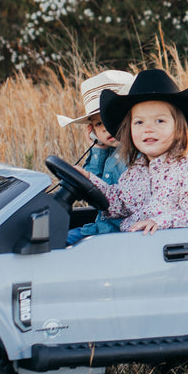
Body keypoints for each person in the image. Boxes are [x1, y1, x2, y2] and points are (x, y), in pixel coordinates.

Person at [86, 68, 188, 234]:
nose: (148, 129)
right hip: (130, 247)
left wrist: (158, 222)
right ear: (129, 130)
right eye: (139, 122)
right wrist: (88, 180)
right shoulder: (135, 172)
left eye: (160, 120)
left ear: (178, 128)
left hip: (161, 250)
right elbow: (120, 204)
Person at [57, 70, 136, 245]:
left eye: (111, 121)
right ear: (92, 130)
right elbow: (89, 187)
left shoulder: (137, 156)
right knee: (53, 241)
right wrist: (98, 148)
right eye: (99, 124)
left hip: (117, 237)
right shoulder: (105, 154)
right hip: (96, 229)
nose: (106, 129)